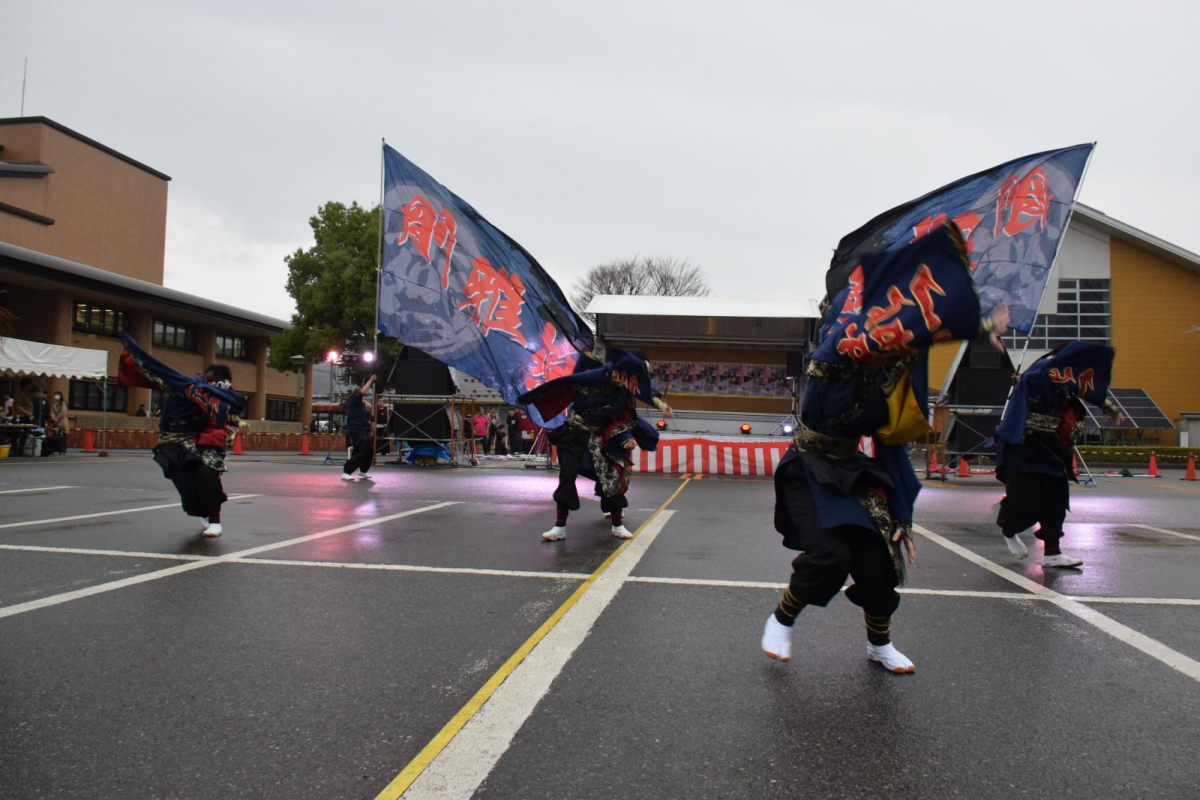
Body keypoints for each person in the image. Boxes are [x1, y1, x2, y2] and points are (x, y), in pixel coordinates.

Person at [760, 224, 1008, 675]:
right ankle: (783, 618)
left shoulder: (894, 375)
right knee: (830, 557)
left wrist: (903, 515)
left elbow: (891, 442)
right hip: (808, 468)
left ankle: (879, 644)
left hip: (852, 470)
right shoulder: (831, 356)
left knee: (880, 566)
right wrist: (973, 324)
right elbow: (877, 333)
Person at [519, 345, 672, 541]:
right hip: (574, 433)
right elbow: (564, 383)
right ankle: (559, 527)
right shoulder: (596, 376)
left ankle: (617, 525)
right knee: (567, 475)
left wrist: (628, 437)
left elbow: (627, 414)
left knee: (613, 477)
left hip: (603, 436)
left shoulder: (624, 391)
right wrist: (528, 398)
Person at [994, 342, 1119, 568]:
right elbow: (1030, 384)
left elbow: (1089, 392)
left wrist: (1108, 407)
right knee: (1023, 500)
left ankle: (1053, 552)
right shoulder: (1043, 368)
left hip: (1053, 447)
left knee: (1055, 500)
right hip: (1024, 444)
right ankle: (1009, 529)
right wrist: (1028, 378)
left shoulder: (1069, 379)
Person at [118, 334, 246, 538]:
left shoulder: (225, 396)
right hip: (173, 441)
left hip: (205, 441)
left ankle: (215, 520)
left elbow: (231, 418)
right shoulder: (188, 385)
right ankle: (202, 513)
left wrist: (220, 437)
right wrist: (132, 347)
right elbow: (157, 370)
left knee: (207, 474)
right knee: (184, 479)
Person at [341, 373, 376, 482]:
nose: (364, 398)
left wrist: (370, 425)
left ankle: (363, 470)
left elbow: (366, 415)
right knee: (359, 452)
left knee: (369, 451)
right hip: (356, 431)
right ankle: (346, 472)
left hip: (363, 430)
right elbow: (363, 392)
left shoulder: (361, 406)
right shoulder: (353, 403)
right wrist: (370, 380)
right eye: (363, 397)